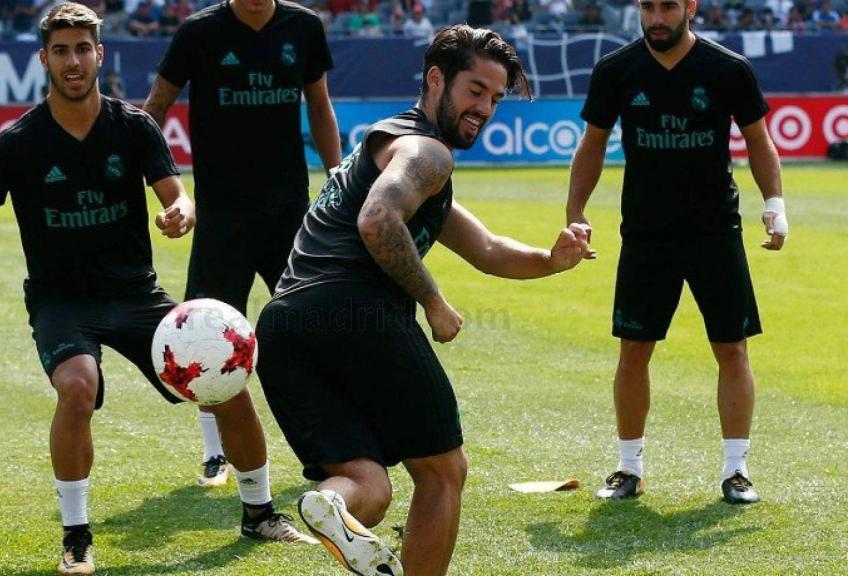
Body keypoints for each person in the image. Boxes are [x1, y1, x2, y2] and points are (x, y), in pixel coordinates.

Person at [0, 4, 316, 575]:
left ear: (99, 54)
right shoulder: (17, 142)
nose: (73, 60)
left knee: (226, 380)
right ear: (44, 59)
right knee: (78, 387)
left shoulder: (133, 126)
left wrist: (181, 213)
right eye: (61, 50)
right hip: (63, 304)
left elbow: (174, 193)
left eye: (83, 48)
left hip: (137, 296)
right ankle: (77, 535)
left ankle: (259, 513)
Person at [256, 24, 591, 576]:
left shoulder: (391, 151)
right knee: (442, 471)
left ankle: (332, 504)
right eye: (474, 90)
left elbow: (485, 248)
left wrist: (551, 260)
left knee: (369, 484)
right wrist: (433, 300)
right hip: (355, 311)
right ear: (436, 79)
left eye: (495, 98)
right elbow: (377, 219)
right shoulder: (426, 151)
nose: (484, 108)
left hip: (286, 325)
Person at [567, 0, 787, 505]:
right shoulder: (616, 70)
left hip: (716, 232)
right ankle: (629, 468)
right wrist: (575, 212)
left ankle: (737, 471)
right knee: (634, 349)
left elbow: (759, 140)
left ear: (690, 6)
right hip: (645, 234)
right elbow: (592, 144)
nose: (657, 17)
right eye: (648, 6)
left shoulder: (728, 68)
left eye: (668, 6)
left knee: (731, 348)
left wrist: (774, 203)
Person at [142, 0, 341, 489]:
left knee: (311, 330)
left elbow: (319, 103)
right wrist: (160, 183)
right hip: (221, 215)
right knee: (202, 336)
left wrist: (337, 175)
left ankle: (332, 449)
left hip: (289, 213)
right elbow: (153, 111)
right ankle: (215, 454)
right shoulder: (198, 33)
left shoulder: (304, 27)